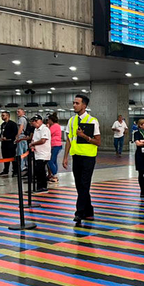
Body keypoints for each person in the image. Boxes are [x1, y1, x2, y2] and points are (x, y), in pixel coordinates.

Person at [62, 94, 101, 224]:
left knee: (84, 184)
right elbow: (68, 139)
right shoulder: (72, 121)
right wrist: (65, 157)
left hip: (88, 158)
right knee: (80, 186)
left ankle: (79, 212)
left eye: (77, 103)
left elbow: (98, 142)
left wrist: (84, 136)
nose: (74, 105)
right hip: (76, 157)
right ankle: (89, 209)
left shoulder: (92, 121)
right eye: (74, 103)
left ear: (84, 105)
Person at [28, 115, 51, 193]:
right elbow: (34, 139)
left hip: (43, 154)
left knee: (41, 171)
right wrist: (32, 145)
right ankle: (38, 187)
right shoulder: (36, 129)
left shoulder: (44, 129)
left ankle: (43, 187)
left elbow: (43, 140)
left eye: (33, 122)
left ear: (38, 121)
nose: (33, 124)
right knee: (38, 171)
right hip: (37, 153)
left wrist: (33, 144)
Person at [0, 111, 19, 177]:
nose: (2, 117)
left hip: (11, 143)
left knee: (12, 157)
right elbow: (2, 133)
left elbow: (15, 133)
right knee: (5, 157)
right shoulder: (3, 124)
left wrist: (8, 137)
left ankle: (15, 171)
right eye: (1, 116)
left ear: (7, 116)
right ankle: (5, 170)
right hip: (4, 143)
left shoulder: (13, 124)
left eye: (3, 115)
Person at [47, 113, 62, 183]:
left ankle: (55, 175)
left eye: (48, 120)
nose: (48, 121)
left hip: (55, 145)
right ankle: (53, 175)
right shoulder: (56, 125)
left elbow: (48, 133)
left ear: (51, 120)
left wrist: (48, 127)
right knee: (54, 161)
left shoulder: (54, 126)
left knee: (50, 161)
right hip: (56, 145)